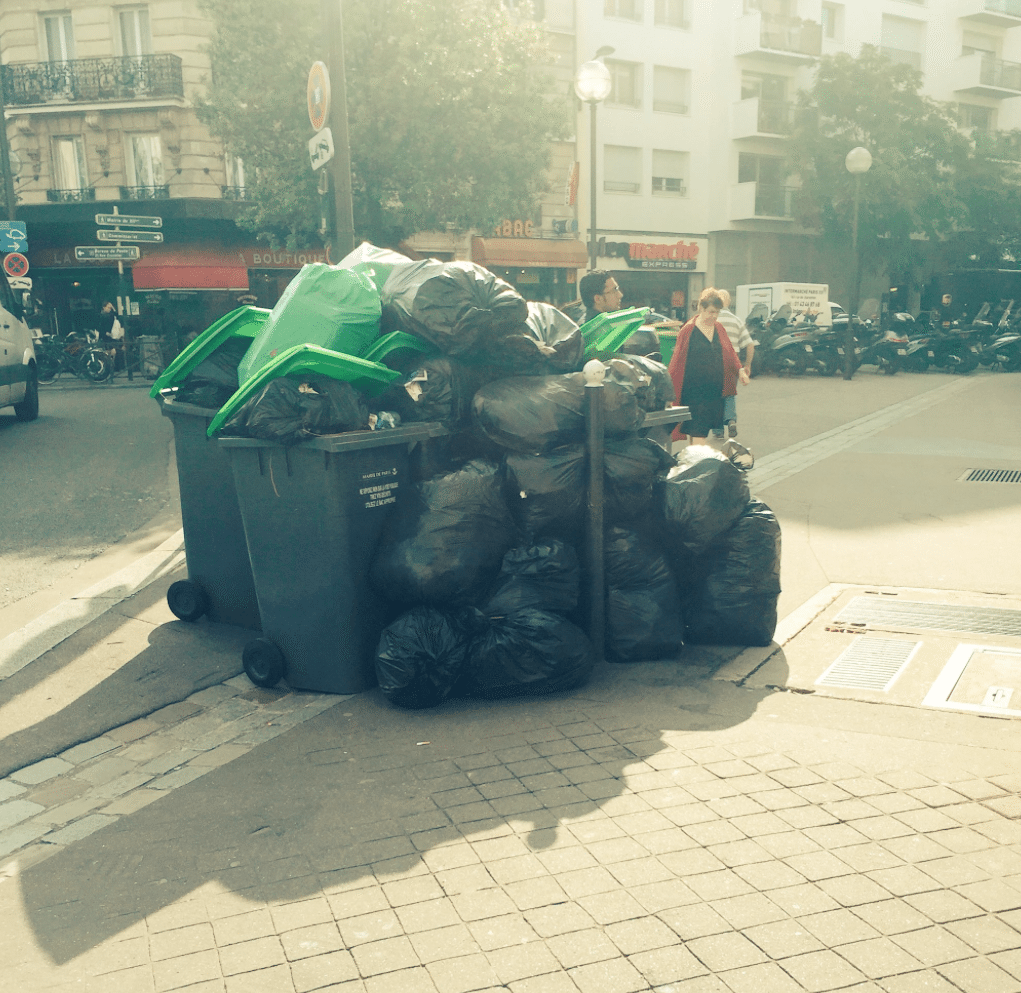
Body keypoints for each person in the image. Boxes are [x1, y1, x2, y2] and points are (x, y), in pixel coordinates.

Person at [667, 287, 749, 446]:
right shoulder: (688, 330)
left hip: (714, 392)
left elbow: (730, 352)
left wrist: (740, 371)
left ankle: (694, 460)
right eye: (711, 311)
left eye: (717, 312)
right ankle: (701, 460)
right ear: (701, 308)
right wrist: (669, 391)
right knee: (699, 431)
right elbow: (676, 361)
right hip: (694, 391)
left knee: (698, 431)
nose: (714, 316)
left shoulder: (719, 328)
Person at [715, 289, 755, 438]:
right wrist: (747, 365)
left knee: (716, 394)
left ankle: (718, 430)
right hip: (733, 360)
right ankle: (731, 420)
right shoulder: (737, 320)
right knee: (730, 392)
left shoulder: (712, 318)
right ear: (729, 302)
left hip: (714, 359)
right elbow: (750, 345)